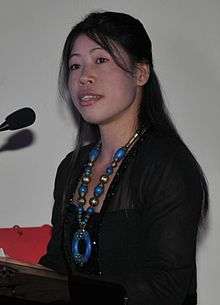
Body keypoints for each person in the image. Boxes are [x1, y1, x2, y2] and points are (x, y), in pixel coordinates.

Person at [39, 11, 209, 305]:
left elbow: (167, 287)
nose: (84, 76)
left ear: (140, 73)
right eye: (75, 65)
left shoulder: (167, 164)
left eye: (101, 60)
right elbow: (57, 266)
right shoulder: (72, 167)